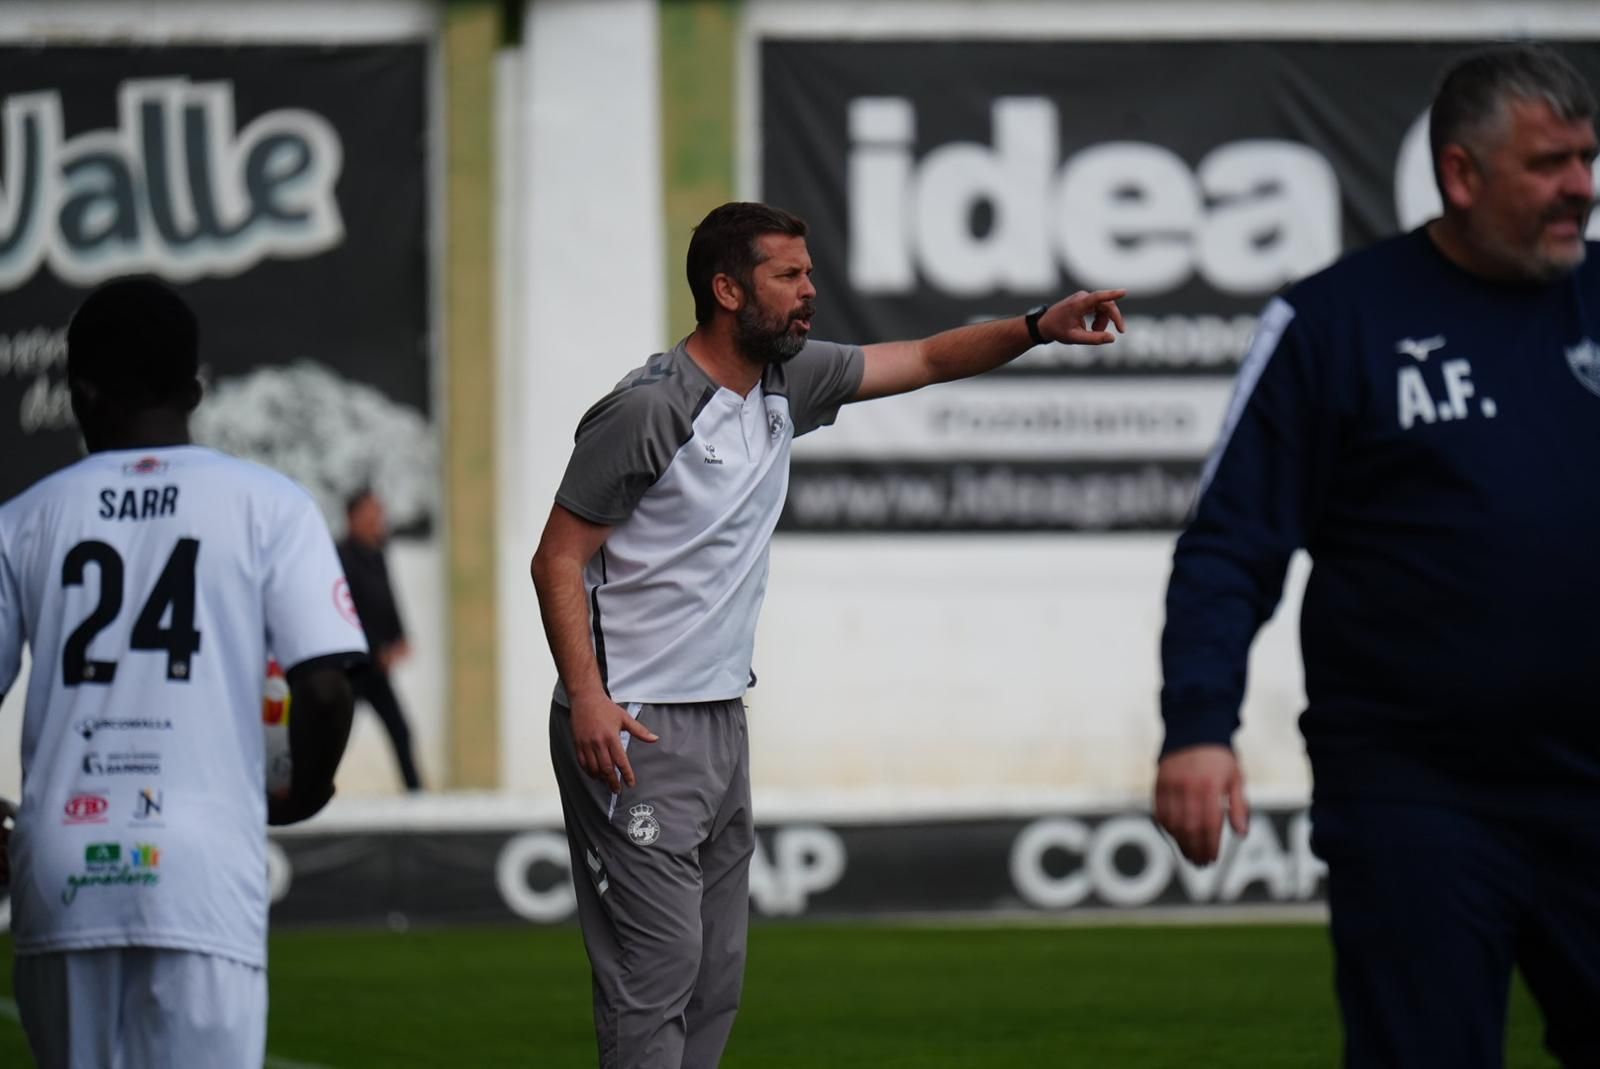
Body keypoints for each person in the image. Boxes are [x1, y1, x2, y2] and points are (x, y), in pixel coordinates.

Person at [531, 200, 1126, 1069]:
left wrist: (1038, 326)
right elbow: (556, 557)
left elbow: (925, 357)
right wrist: (587, 695)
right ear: (728, 290)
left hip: (720, 717)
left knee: (715, 973)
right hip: (633, 721)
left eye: (809, 272)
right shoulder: (649, 409)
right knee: (656, 970)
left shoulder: (788, 381)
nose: (810, 289)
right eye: (789, 275)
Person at [1154, 44, 1599, 1068]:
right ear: (1460, 174)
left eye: (1587, 158)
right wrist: (1198, 726)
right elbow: (1230, 545)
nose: (1581, 186)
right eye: (1549, 164)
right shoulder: (1334, 322)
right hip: (1417, 796)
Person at [0, 277, 366, 1068]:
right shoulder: (271, 505)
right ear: (195, 390)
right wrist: (307, 786)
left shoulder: (23, 518)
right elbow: (325, 685)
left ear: (80, 395)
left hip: (61, 861)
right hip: (202, 867)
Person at [337, 487, 424, 792]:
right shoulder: (340, 557)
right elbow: (346, 612)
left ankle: (417, 795)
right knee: (334, 737)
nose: (378, 519)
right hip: (350, 667)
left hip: (374, 669)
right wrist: (377, 649)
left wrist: (400, 638)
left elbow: (387, 600)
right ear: (353, 516)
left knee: (400, 730)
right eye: (372, 513)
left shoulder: (376, 554)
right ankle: (311, 794)